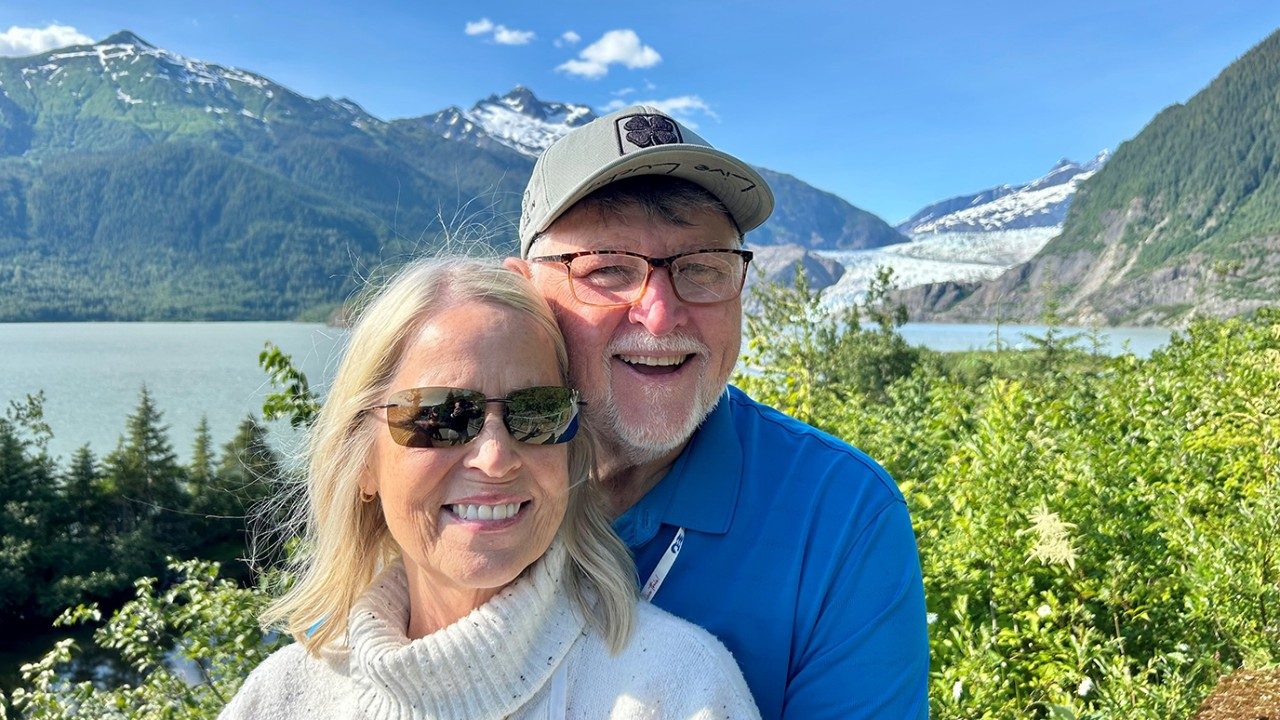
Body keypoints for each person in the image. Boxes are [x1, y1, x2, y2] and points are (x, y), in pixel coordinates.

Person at [509, 107, 930, 719]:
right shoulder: (452, 469)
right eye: (607, 270)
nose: (659, 313)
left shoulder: (838, 515)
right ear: (522, 290)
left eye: (702, 268)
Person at [220, 258, 760, 719]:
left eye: (538, 413)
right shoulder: (283, 697)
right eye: (442, 416)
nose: (496, 457)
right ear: (362, 461)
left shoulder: (678, 692)